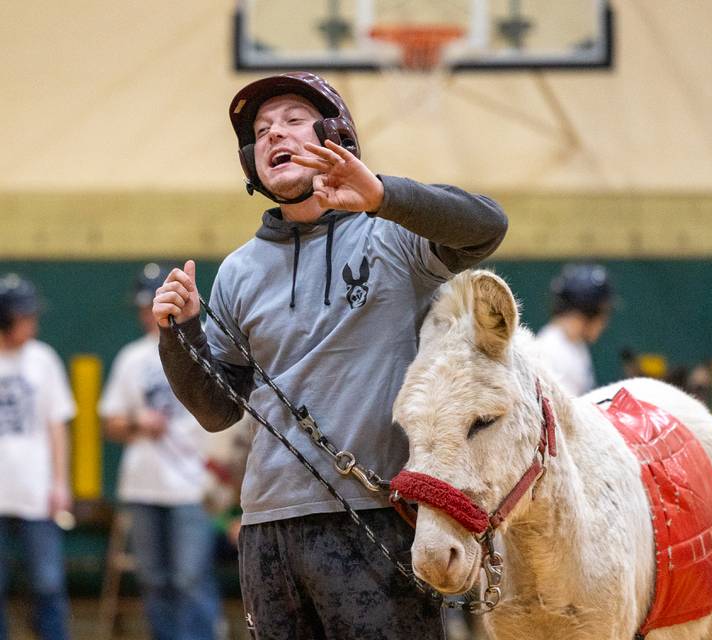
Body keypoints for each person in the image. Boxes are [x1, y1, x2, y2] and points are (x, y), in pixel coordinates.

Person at [152, 71, 507, 640]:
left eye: (292, 120)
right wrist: (180, 334)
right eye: (261, 131)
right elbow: (218, 412)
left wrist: (384, 196)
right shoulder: (239, 271)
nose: (273, 135)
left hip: (377, 514)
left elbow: (487, 226)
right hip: (268, 524)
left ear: (335, 136)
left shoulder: (391, 236)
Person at [99, 263, 222, 640]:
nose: (145, 315)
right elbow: (110, 422)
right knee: (153, 579)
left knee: (190, 577)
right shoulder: (131, 358)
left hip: (192, 485)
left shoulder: (203, 348)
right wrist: (138, 424)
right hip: (144, 486)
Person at [0, 274, 75, 640]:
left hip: (37, 492)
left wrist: (60, 484)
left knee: (47, 584)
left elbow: (57, 426)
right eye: (25, 316)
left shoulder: (43, 360)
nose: (33, 323)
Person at [536, 263, 613, 396]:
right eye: (603, 313)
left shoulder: (574, 345)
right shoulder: (550, 351)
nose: (604, 322)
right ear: (587, 312)